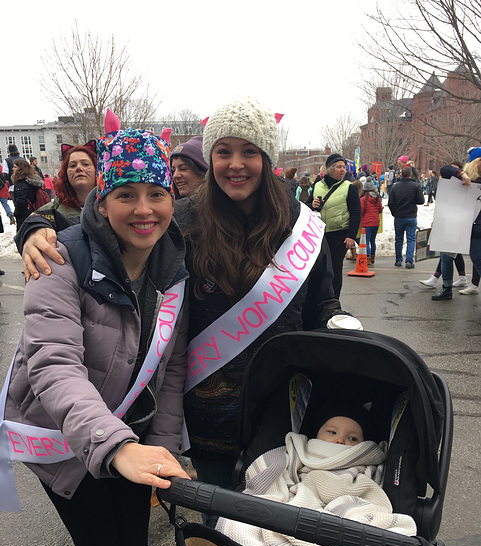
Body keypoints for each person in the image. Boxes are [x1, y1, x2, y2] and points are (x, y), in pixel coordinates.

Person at [17, 96, 356, 493]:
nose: (236, 163)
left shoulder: (302, 226)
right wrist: (34, 228)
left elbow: (321, 302)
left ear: (267, 156)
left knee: (273, 518)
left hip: (279, 406)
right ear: (210, 158)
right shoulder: (181, 219)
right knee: (212, 530)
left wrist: (339, 321)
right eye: (223, 151)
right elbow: (104, 240)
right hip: (203, 414)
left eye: (250, 151)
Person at [3, 113, 190, 546]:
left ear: (172, 199)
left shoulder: (173, 268)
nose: (144, 208)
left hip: (129, 430)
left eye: (156, 192)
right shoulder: (59, 260)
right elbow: (54, 366)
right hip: (59, 435)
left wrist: (163, 445)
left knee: (133, 544)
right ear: (101, 201)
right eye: (126, 193)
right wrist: (115, 448)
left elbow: (172, 369)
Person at [215, 403, 416, 546]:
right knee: (239, 522)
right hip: (295, 504)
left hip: (339, 513)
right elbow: (278, 473)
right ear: (316, 433)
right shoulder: (302, 452)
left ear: (364, 445)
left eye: (353, 438)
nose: (340, 440)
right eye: (332, 432)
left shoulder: (366, 463)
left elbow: (372, 494)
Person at [15, 143, 97, 280]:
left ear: (98, 170)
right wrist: (30, 235)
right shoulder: (52, 209)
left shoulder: (112, 207)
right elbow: (29, 225)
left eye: (85, 164)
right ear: (66, 174)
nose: (78, 168)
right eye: (72, 165)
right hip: (64, 282)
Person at [311, 153, 361, 297]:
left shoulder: (348, 187)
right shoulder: (317, 185)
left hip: (340, 235)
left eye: (344, 167)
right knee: (320, 269)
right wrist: (311, 204)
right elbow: (307, 207)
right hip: (320, 235)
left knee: (334, 269)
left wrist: (351, 236)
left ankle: (334, 301)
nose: (342, 170)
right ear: (330, 168)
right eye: (339, 167)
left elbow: (356, 213)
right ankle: (320, 299)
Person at [434, 147, 481, 300]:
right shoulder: (464, 175)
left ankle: (473, 283)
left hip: (476, 227)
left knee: (477, 258)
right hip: (458, 223)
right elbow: (444, 169)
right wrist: (461, 175)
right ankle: (447, 289)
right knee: (446, 255)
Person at [388, 165, 424, 268]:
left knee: (398, 239)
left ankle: (398, 260)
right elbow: (421, 201)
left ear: (401, 174)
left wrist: (394, 212)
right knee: (411, 239)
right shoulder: (415, 186)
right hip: (411, 215)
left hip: (399, 216)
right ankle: (409, 261)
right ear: (411, 174)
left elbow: (391, 203)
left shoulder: (395, 186)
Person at [11, 158, 45, 227]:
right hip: (33, 211)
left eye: (15, 167)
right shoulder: (31, 180)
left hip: (25, 214)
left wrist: (16, 213)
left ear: (21, 169)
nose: (13, 169)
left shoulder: (21, 184)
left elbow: (21, 202)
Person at [360, 176, 383, 264]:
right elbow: (380, 210)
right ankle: (373, 257)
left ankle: (368, 258)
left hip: (366, 223)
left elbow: (361, 211)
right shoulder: (377, 198)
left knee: (366, 241)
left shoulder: (363, 199)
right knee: (373, 241)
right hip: (376, 223)